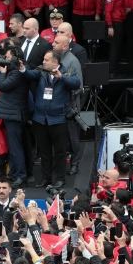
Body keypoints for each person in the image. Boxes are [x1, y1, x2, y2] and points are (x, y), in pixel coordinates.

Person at [24, 50, 81, 188]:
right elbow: (29, 74)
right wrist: (22, 69)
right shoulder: (41, 71)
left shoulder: (66, 71)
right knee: (44, 151)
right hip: (40, 119)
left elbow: (76, 83)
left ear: (55, 62)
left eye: (46, 60)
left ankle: (60, 178)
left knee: (60, 152)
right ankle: (46, 178)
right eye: (44, 59)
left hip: (58, 119)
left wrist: (62, 77)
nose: (43, 62)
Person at [0, 44, 30, 186]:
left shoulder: (18, 72)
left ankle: (21, 175)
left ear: (14, 57)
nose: (5, 59)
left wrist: (2, 72)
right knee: (13, 147)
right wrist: (0, 70)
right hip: (10, 113)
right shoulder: (11, 71)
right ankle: (14, 173)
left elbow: (3, 86)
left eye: (7, 57)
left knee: (16, 147)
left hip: (15, 114)